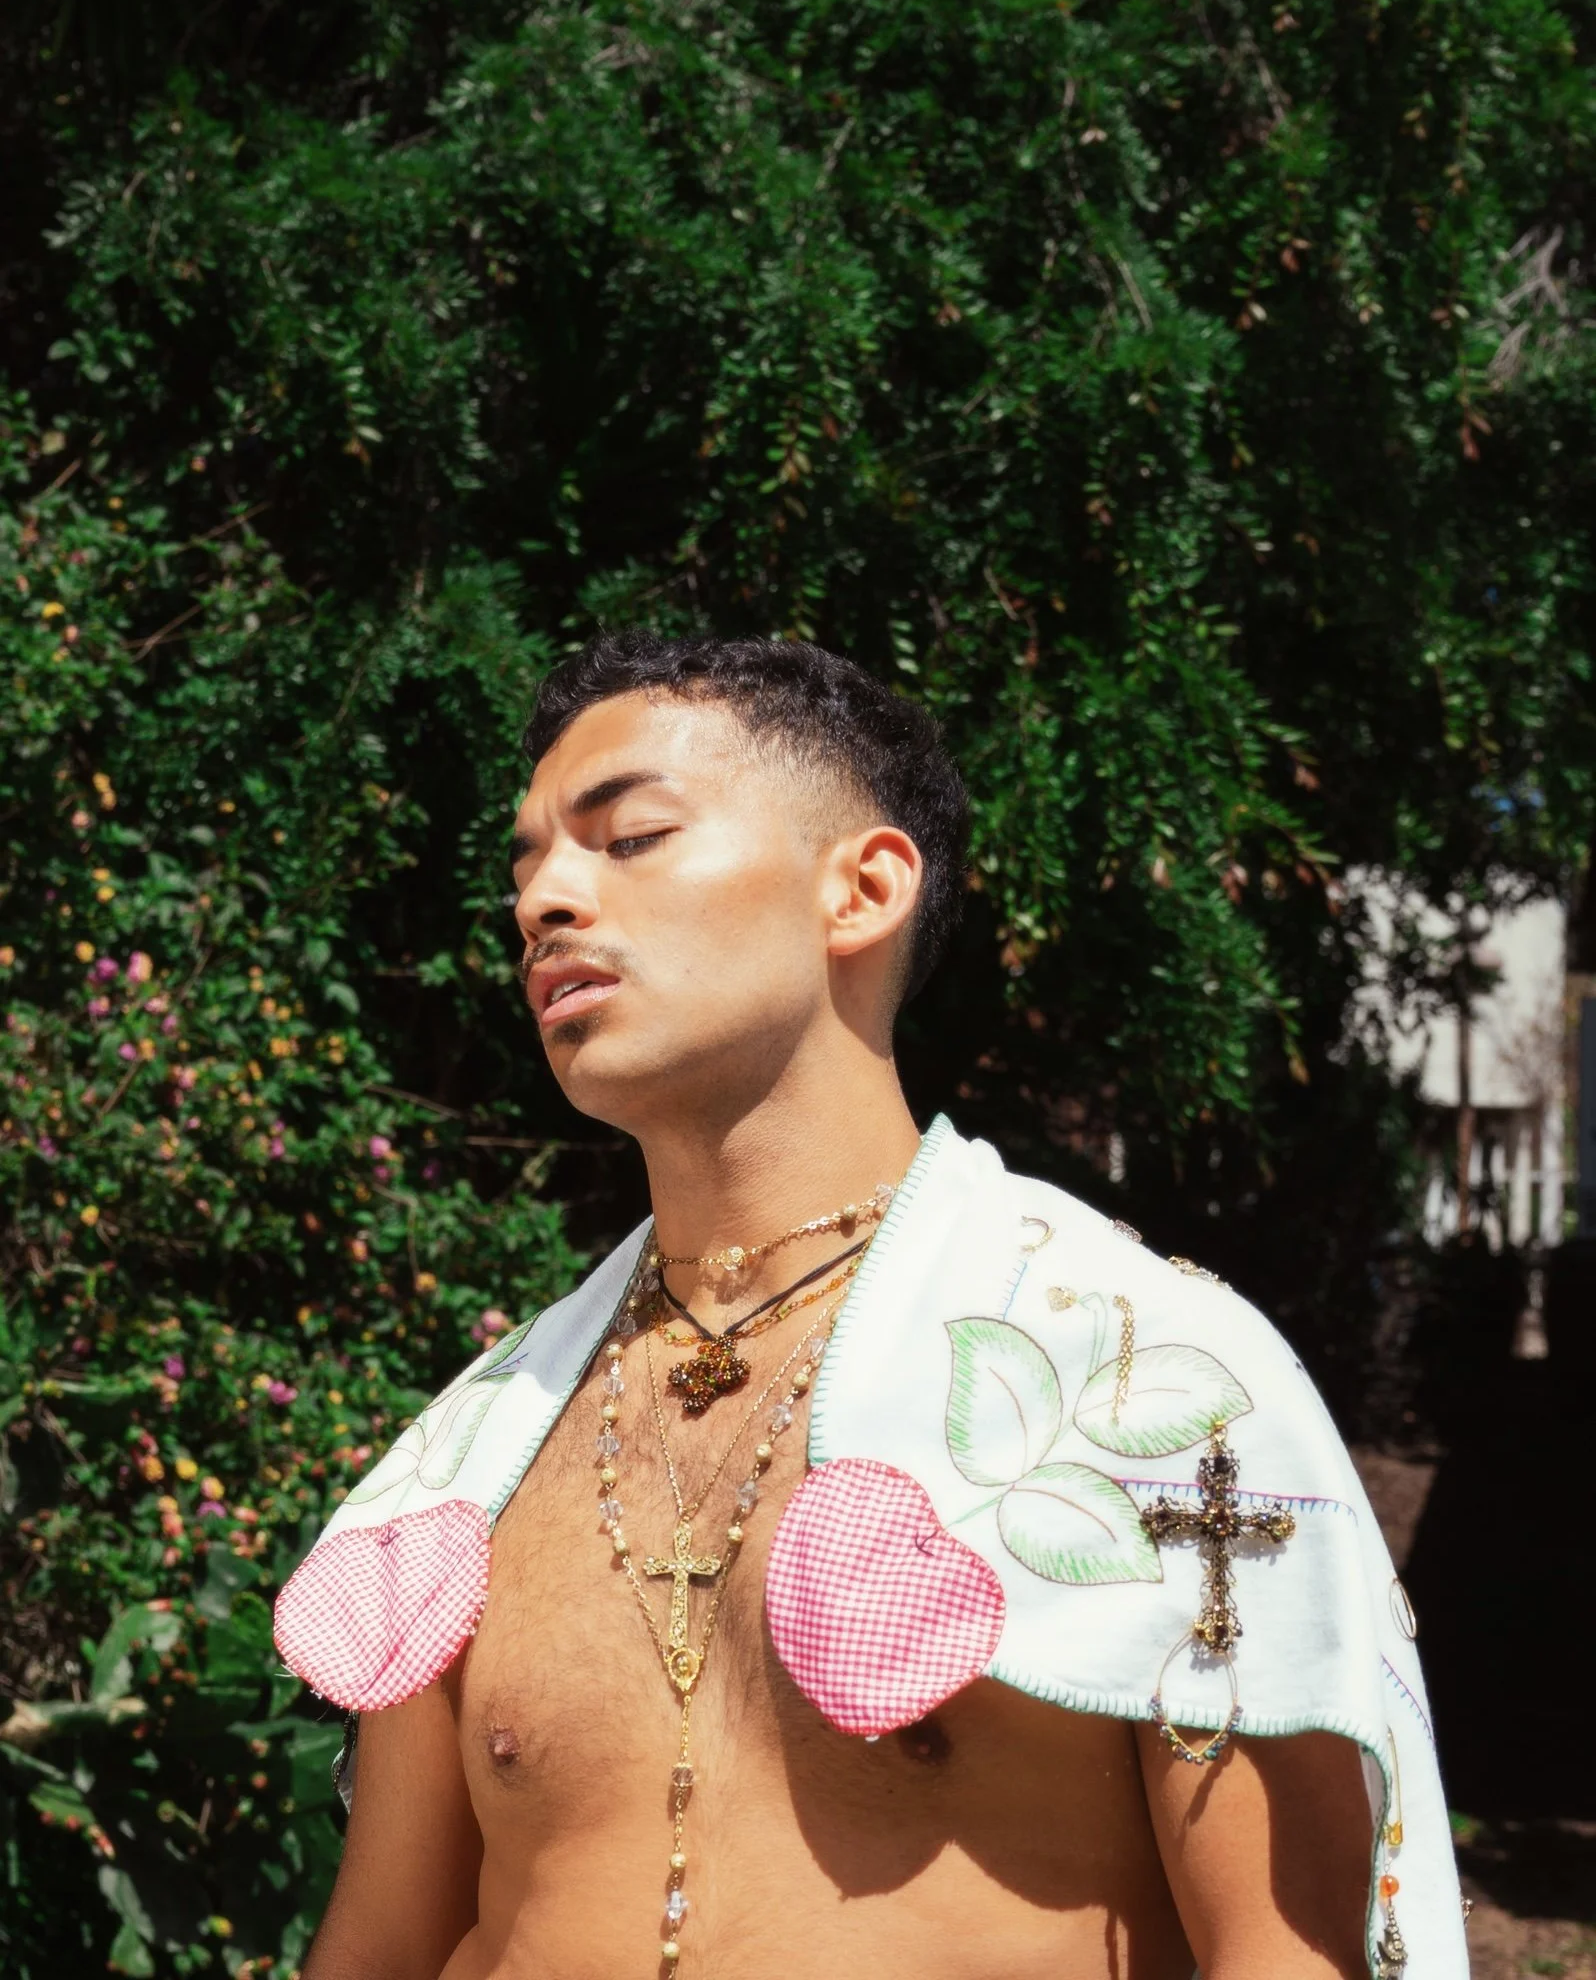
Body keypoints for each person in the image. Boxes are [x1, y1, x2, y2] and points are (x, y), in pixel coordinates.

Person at [275, 632, 1466, 1980]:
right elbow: (380, 1946)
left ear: (863, 889)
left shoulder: (1148, 1381)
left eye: (630, 838)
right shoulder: (474, 1454)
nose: (544, 897)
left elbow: (1290, 1954)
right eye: (527, 862)